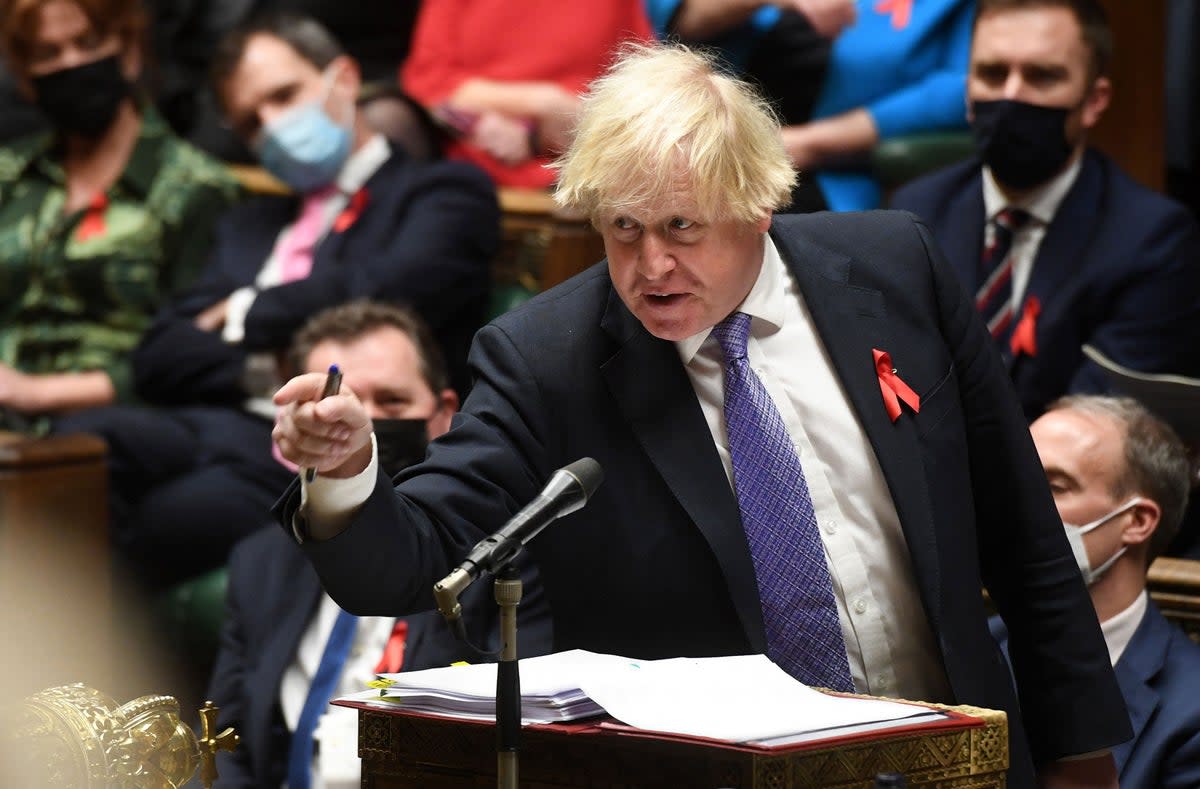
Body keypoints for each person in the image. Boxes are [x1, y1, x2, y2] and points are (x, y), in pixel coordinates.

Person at [273, 42, 1130, 786]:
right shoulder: (546, 360)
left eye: (682, 226)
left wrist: (1079, 750)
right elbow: (411, 558)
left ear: (759, 199)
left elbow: (1023, 533)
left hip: (956, 759)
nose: (651, 266)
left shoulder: (895, 270)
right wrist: (346, 473)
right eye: (623, 228)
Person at [55, 12, 497, 589]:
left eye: (285, 96)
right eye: (251, 121)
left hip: (329, 441)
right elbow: (160, 354)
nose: (274, 125)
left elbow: (391, 290)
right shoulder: (252, 222)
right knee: (79, 444)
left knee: (166, 519)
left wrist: (244, 310)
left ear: (343, 78)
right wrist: (267, 364)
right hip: (220, 423)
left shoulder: (440, 194)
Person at [207, 301, 553, 789]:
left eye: (391, 403)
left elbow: (516, 747)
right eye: (337, 410)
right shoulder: (261, 561)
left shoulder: (503, 564)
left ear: (444, 416)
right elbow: (228, 746)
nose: (360, 428)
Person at [890, 0, 1200, 420]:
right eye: (992, 74)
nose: (1012, 96)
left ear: (1093, 100)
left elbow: (1102, 425)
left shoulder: (1153, 240)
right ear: (968, 92)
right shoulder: (916, 212)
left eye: (1042, 77)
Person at [0, 0, 240, 434]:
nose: (71, 64)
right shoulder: (9, 173)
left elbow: (194, 355)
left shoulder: (196, 189)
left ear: (128, 51)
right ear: (26, 77)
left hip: (111, 431)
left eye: (88, 43)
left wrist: (32, 392)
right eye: (47, 53)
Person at [990, 395, 1200, 788]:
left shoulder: (1192, 709)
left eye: (1052, 485)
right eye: (1016, 481)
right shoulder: (970, 648)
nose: (1017, 504)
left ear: (1136, 521)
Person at [650, 0, 974, 212]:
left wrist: (809, 144)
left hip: (826, 172)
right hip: (700, 143)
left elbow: (963, 86)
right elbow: (673, 23)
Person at [399, 0, 654, 189]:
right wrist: (539, 105)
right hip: (463, 146)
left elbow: (642, 82)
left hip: (583, 158)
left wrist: (561, 123)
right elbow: (428, 78)